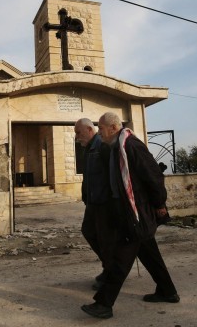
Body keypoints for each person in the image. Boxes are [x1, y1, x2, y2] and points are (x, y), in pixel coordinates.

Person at [81, 112, 179, 319]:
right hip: (133, 212)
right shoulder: (117, 148)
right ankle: (168, 291)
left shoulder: (131, 146)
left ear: (113, 128)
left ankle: (104, 304)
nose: (100, 132)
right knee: (149, 253)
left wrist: (160, 204)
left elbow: (153, 176)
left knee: (121, 259)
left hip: (137, 213)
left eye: (101, 128)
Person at [74, 118, 111, 289]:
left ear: (90, 130)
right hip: (92, 203)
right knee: (89, 231)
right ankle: (110, 267)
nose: (76, 137)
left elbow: (112, 177)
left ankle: (111, 273)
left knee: (105, 239)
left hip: (103, 203)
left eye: (78, 133)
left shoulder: (102, 146)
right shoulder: (88, 149)